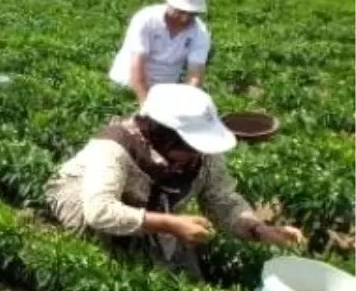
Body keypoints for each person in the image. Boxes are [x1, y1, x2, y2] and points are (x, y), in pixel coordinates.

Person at [45, 83, 304, 278]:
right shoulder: (116, 146)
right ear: (163, 135)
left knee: (179, 271)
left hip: (150, 206)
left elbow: (222, 199)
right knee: (114, 257)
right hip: (85, 194)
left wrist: (259, 229)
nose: (197, 153)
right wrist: (170, 223)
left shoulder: (202, 155)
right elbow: (99, 211)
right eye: (190, 146)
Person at [108, 0, 210, 103]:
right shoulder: (146, 19)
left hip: (162, 93)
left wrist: (185, 102)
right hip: (127, 86)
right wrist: (145, 103)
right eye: (181, 11)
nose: (185, 19)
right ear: (170, 3)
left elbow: (195, 74)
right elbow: (137, 64)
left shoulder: (200, 32)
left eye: (192, 14)